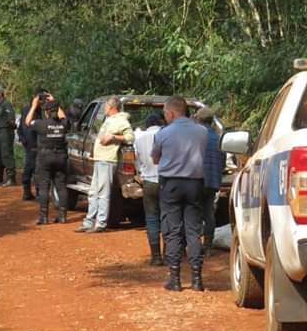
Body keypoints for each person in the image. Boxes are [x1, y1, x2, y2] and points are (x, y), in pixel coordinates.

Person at [152, 96, 208, 292]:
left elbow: (155, 158)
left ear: (171, 113)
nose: (165, 117)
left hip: (171, 185)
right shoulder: (202, 132)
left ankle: (175, 279)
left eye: (166, 114)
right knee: (193, 230)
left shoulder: (162, 134)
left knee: (172, 229)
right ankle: (197, 278)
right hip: (195, 184)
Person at [75, 97, 134, 233]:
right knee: (94, 191)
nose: (105, 108)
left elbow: (130, 136)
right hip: (100, 159)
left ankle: (100, 223)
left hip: (108, 160)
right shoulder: (109, 120)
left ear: (112, 107)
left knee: (103, 192)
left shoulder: (121, 120)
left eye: (106, 106)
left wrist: (114, 137)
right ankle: (89, 221)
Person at [25, 98, 71, 225]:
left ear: (46, 112)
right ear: (57, 110)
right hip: (61, 157)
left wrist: (34, 106)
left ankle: (44, 217)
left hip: (45, 157)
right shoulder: (63, 123)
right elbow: (63, 117)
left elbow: (27, 122)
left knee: (44, 187)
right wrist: (56, 102)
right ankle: (62, 217)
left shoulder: (41, 124)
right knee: (61, 187)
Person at [133, 113, 165, 266]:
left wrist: (141, 173)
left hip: (148, 182)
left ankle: (156, 256)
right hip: (165, 181)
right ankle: (170, 253)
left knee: (152, 218)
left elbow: (137, 161)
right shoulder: (164, 134)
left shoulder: (139, 138)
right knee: (167, 217)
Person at [193, 107, 225, 257]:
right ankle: (208, 246)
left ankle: (195, 245)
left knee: (194, 212)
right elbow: (223, 162)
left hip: (197, 179)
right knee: (208, 212)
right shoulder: (218, 138)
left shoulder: (195, 137)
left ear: (198, 120)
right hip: (212, 180)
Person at [17, 89, 47, 200]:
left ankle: (33, 191)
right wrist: (28, 142)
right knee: (32, 167)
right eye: (40, 98)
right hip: (32, 143)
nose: (42, 100)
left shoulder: (39, 110)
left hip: (35, 142)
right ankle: (30, 192)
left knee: (35, 167)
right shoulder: (29, 109)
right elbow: (25, 126)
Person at [0, 86, 17, 186]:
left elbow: (11, 119)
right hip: (1, 131)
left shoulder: (6, 104)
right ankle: (8, 176)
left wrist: (9, 127)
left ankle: (11, 177)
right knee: (3, 154)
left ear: (0, 94)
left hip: (6, 131)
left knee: (7, 153)